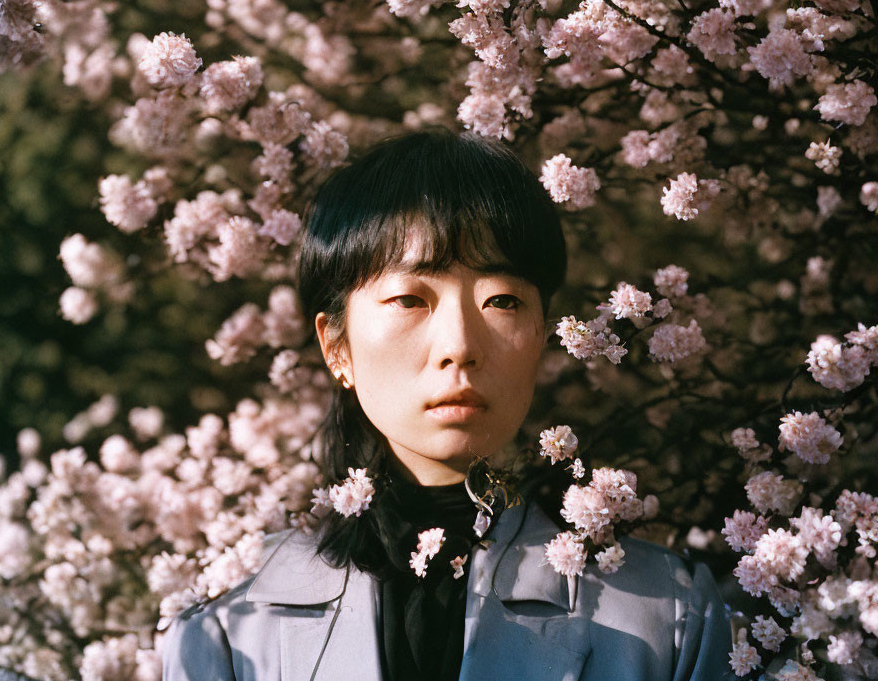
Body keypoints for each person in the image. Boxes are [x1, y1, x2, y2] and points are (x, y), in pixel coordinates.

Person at [162, 129, 733, 680]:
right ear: (336, 346)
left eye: (502, 300)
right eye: (410, 298)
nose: (459, 345)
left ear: (540, 334)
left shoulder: (670, 617)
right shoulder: (229, 622)